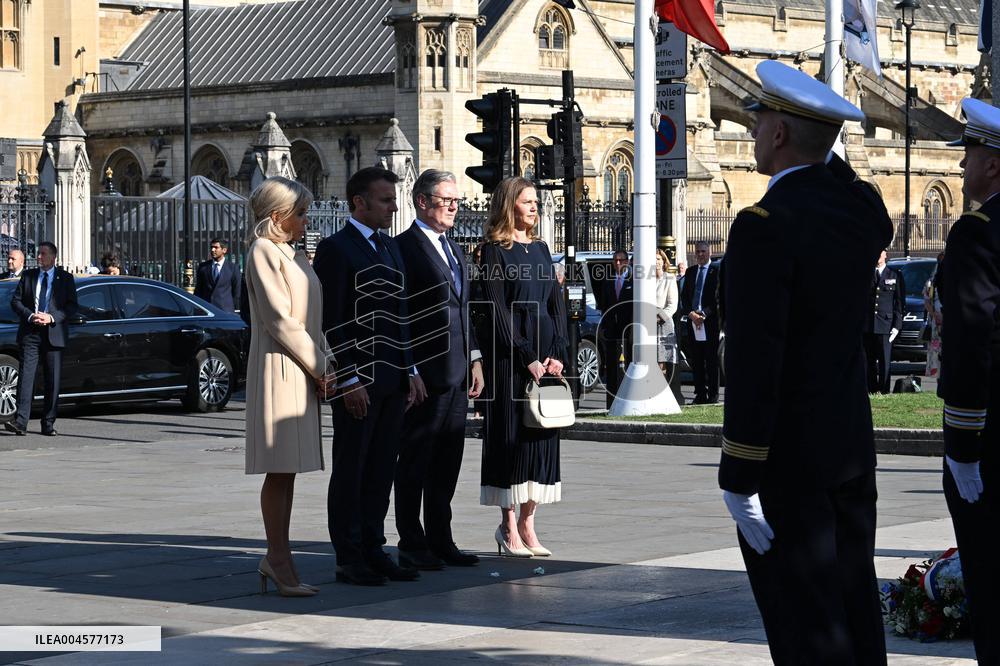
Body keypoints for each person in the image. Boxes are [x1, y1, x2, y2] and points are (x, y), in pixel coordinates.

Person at [718, 61, 893, 665]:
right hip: (849, 448)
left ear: (779, 133)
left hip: (788, 463)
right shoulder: (860, 214)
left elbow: (755, 359)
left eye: (761, 119)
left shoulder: (763, 226)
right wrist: (824, 143)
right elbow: (864, 198)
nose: (752, 129)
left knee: (805, 630)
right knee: (855, 612)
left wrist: (739, 473)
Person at [313, 166, 426, 586]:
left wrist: (411, 368)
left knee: (381, 468)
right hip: (359, 380)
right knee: (352, 467)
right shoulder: (336, 249)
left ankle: (375, 547)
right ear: (359, 202)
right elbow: (333, 319)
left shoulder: (389, 246)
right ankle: (349, 554)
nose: (393, 208)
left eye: (394, 200)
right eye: (385, 200)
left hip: (394, 378)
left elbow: (401, 314)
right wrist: (347, 379)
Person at [243, 176, 336, 597]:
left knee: (288, 470)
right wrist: (321, 366)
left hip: (302, 366)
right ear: (278, 216)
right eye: (300, 213)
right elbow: (280, 320)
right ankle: (277, 558)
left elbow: (312, 318)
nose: (306, 220)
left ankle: (279, 557)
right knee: (280, 467)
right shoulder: (263, 251)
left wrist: (327, 363)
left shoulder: (292, 254)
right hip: (280, 366)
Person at [392, 169, 485, 571]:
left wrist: (475, 357)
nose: (453, 207)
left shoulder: (455, 249)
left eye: (456, 201)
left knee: (448, 461)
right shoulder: (403, 248)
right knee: (415, 459)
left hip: (457, 371)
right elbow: (399, 315)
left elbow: (464, 308)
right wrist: (409, 367)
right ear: (422, 201)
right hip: (424, 375)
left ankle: (441, 538)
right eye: (446, 200)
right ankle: (412, 542)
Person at [938, 97, 1000, 664]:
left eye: (970, 154)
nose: (961, 165)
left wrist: (961, 446)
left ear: (994, 164)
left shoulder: (978, 234)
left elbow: (971, 343)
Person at [478, 176, 567, 558]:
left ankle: (530, 523)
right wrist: (525, 354)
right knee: (510, 438)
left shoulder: (542, 249)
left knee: (542, 437)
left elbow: (555, 304)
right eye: (527, 201)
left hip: (546, 360)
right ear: (509, 205)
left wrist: (558, 351)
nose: (534, 207)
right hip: (511, 361)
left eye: (535, 201)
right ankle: (508, 525)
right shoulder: (494, 251)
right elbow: (496, 309)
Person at [6, 242, 78, 437]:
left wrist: (52, 317)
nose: (38, 257)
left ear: (53, 257)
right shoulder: (28, 276)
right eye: (38, 253)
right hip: (30, 333)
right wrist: (30, 316)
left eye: (43, 254)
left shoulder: (65, 278)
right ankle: (20, 422)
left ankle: (48, 423)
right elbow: (16, 301)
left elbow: (72, 306)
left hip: (53, 334)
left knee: (52, 380)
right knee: (26, 378)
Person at [680, 241, 721, 404]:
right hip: (692, 321)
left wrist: (704, 314)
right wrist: (691, 314)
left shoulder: (716, 271)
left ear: (709, 252)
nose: (700, 254)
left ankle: (713, 394)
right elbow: (684, 296)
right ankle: (700, 394)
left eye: (703, 251)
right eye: (697, 252)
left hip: (710, 321)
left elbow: (719, 297)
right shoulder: (690, 272)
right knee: (696, 360)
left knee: (711, 359)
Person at [595, 249, 633, 409]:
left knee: (627, 364)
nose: (618, 263)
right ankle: (611, 401)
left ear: (627, 262)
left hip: (628, 330)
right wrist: (604, 327)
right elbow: (604, 305)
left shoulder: (633, 281)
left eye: (621, 260)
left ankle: (627, 399)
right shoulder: (608, 280)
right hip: (612, 331)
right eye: (615, 260)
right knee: (612, 366)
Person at [863, 249, 904, 394]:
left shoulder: (894, 275)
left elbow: (899, 303)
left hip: (886, 325)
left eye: (880, 252)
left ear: (886, 254)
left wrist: (897, 326)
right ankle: (871, 389)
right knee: (869, 361)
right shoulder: (866, 274)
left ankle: (884, 390)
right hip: (868, 325)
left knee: (884, 361)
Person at [654, 249, 681, 402]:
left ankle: (663, 397)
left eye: (659, 259)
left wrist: (659, 317)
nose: (656, 262)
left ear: (664, 261)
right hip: (647, 324)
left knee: (662, 362)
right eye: (653, 259)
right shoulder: (646, 279)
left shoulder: (669, 279)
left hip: (663, 324)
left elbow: (672, 305)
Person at [194, 238, 241, 313]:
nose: (212, 250)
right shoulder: (203, 267)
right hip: (206, 311)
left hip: (225, 311)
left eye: (216, 247)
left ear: (224, 250)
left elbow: (237, 292)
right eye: (211, 247)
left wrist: (230, 307)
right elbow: (198, 290)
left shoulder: (233, 268)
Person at [922, 252, 944, 379]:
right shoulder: (931, 282)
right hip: (936, 322)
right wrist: (934, 314)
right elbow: (927, 301)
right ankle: (937, 375)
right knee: (936, 350)